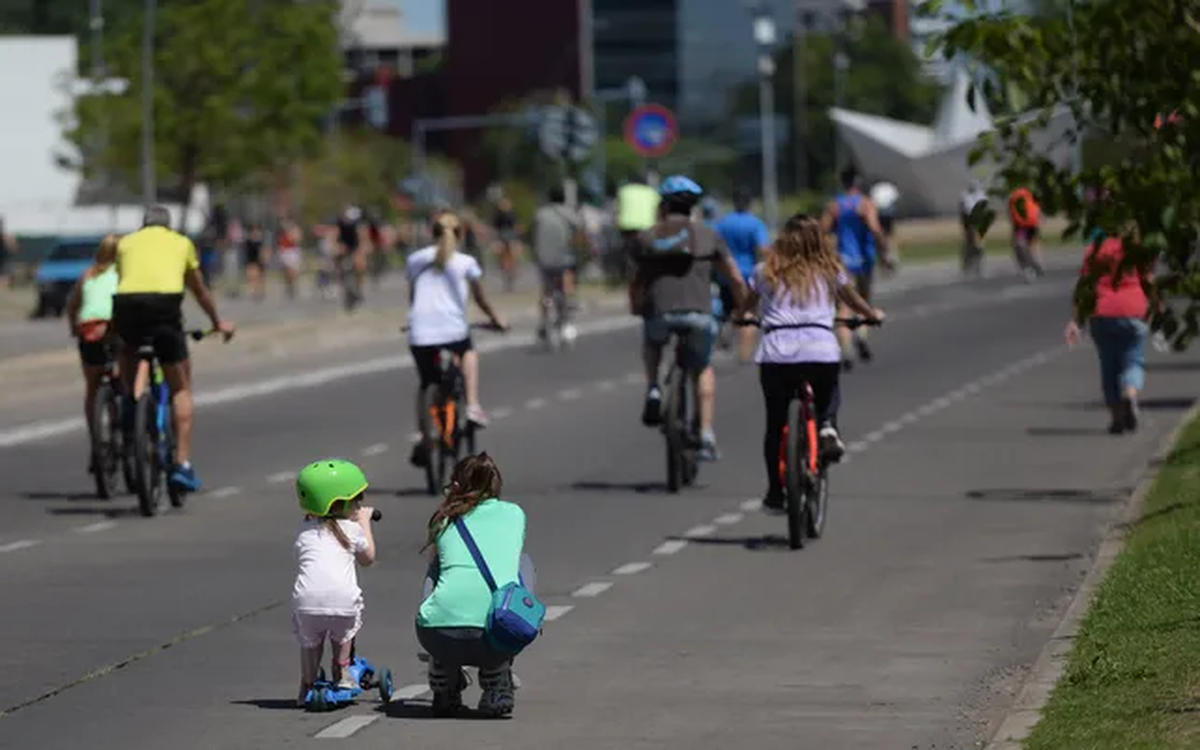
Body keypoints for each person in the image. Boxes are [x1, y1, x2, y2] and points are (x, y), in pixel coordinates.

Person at [739, 215, 883, 511]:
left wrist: (740, 315)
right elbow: (853, 300)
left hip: (777, 353)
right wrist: (871, 314)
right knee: (829, 392)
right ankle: (828, 427)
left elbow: (746, 305)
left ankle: (776, 490)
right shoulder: (830, 271)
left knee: (774, 424)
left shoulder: (765, 271)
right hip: (819, 350)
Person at [112, 205, 235, 492]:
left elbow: (123, 280)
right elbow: (199, 290)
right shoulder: (181, 243)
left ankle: (131, 406)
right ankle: (182, 464)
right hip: (165, 309)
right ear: (168, 226)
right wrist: (217, 322)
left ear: (143, 225)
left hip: (128, 307)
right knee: (180, 388)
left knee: (129, 350)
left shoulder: (126, 243)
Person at [629, 175, 747, 461]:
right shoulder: (709, 235)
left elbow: (634, 280)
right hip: (700, 315)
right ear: (694, 206)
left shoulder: (647, 236)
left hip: (660, 313)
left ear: (664, 206)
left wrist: (636, 305)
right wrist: (743, 308)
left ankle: (654, 388)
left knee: (653, 342)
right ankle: (706, 434)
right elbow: (733, 276)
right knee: (703, 368)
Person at [416, 453, 533, 717]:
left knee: (438, 569)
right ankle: (497, 673)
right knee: (521, 564)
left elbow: (436, 566)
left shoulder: (443, 518)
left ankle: (444, 673)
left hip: (437, 636)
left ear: (455, 486)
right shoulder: (514, 513)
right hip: (500, 633)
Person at [406, 212, 508, 463]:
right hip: (453, 329)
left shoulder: (415, 259)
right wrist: (496, 319)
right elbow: (480, 299)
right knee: (469, 352)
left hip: (419, 331)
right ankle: (472, 405)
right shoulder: (465, 262)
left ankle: (424, 435)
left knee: (425, 382)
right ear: (460, 235)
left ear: (432, 233)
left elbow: (413, 298)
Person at [292, 459, 377, 705]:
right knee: (342, 631)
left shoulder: (304, 529)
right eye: (356, 499)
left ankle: (306, 685)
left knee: (310, 641)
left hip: (305, 601)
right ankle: (342, 672)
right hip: (343, 602)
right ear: (340, 503)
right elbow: (368, 558)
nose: (359, 504)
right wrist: (364, 522)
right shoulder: (352, 529)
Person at [1065, 232, 1156, 434]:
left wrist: (1076, 321)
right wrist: (1158, 307)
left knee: (1109, 367)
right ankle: (1130, 395)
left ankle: (1116, 418)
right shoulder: (1134, 248)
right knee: (1133, 360)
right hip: (1133, 311)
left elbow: (1084, 287)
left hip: (1101, 313)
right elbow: (1149, 281)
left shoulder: (1093, 250)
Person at [821, 166, 890, 371]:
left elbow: (821, 231)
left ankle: (846, 347)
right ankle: (860, 335)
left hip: (843, 259)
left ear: (842, 183)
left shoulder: (835, 206)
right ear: (858, 182)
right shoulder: (865, 204)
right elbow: (874, 228)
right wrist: (884, 250)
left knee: (843, 306)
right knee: (864, 302)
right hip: (865, 259)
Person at [65, 234, 120, 472]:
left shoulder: (87, 275)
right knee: (124, 376)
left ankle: (96, 441)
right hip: (112, 329)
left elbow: (72, 305)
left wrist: (73, 328)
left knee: (92, 387)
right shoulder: (123, 274)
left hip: (87, 331)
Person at [715, 188, 772, 363]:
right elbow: (763, 249)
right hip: (748, 274)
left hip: (726, 274)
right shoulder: (755, 224)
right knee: (749, 311)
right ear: (750, 203)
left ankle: (726, 327)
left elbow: (714, 246)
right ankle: (744, 354)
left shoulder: (722, 223)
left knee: (728, 308)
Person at [531, 185, 586, 343]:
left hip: (543, 259)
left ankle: (544, 320)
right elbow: (579, 231)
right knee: (566, 287)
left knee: (546, 291)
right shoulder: (568, 213)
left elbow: (532, 233)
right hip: (563, 258)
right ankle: (566, 320)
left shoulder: (540, 213)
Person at [1008, 186, 1045, 280]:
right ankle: (1037, 263)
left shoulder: (1013, 198)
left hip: (1022, 227)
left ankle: (1027, 269)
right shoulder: (1029, 196)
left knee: (1018, 246)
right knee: (1032, 246)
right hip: (1033, 225)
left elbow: (1012, 216)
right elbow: (1038, 211)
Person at [960, 180, 989, 277]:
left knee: (978, 246)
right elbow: (966, 212)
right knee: (970, 246)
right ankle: (967, 267)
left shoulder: (980, 196)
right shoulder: (966, 197)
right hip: (971, 224)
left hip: (978, 224)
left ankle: (977, 267)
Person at [491, 197, 520, 293]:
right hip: (501, 237)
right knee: (502, 258)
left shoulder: (513, 214)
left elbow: (516, 226)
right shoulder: (497, 215)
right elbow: (495, 228)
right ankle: (506, 273)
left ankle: (511, 275)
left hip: (511, 237)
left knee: (512, 257)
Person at [869, 180, 901, 266]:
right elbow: (895, 199)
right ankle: (891, 256)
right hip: (889, 214)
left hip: (879, 214)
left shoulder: (876, 188)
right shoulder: (890, 187)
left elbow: (872, 201)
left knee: (880, 235)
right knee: (889, 235)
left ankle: (883, 257)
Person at [242, 222, 268, 301]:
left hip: (258, 260)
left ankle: (258, 291)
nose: (255, 232)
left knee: (258, 277)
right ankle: (254, 291)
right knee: (250, 276)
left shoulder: (260, 240)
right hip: (250, 260)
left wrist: (264, 258)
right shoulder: (248, 241)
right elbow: (245, 251)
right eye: (253, 230)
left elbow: (264, 250)